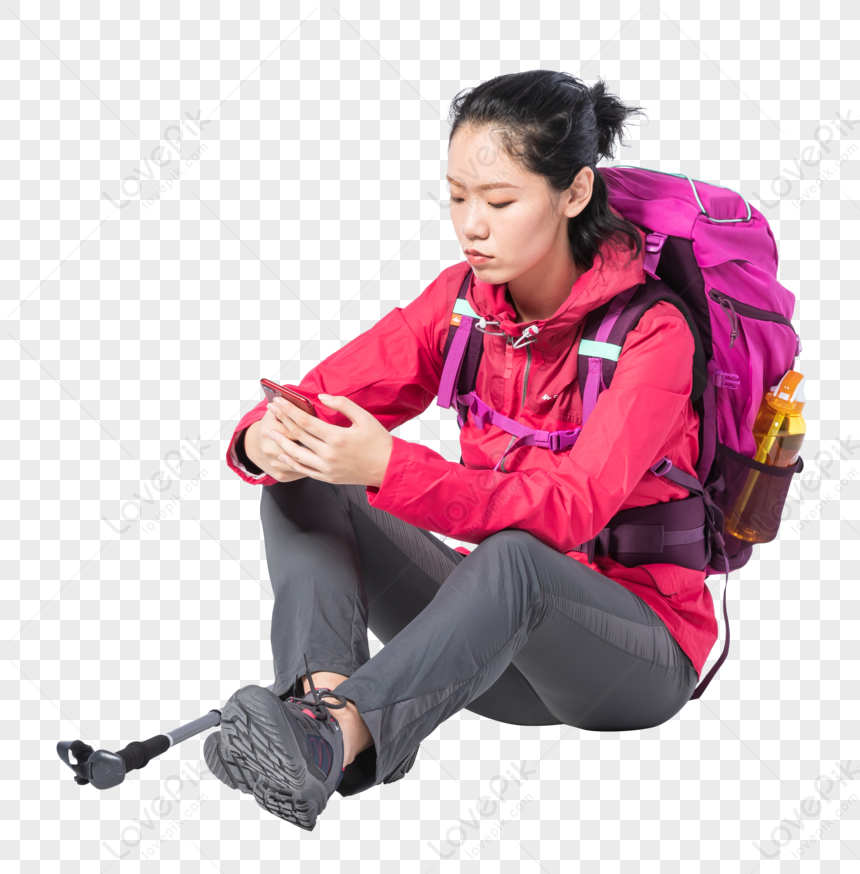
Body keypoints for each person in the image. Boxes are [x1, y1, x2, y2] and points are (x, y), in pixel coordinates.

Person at [204, 70, 719, 830]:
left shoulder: (653, 334)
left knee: (514, 557)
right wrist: (264, 434)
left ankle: (339, 736)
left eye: (500, 201)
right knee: (301, 478)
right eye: (456, 196)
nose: (470, 225)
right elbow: (318, 396)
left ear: (574, 193)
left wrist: (390, 468)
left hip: (630, 662)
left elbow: (572, 510)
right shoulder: (461, 305)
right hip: (490, 650)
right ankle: (319, 716)